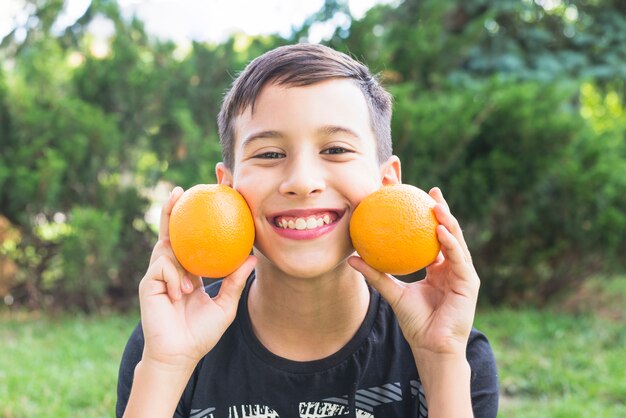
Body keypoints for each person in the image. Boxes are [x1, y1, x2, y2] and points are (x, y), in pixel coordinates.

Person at [116, 43, 498, 418]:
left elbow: (446, 358)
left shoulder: (453, 350)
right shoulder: (171, 340)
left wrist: (439, 358)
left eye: (335, 150)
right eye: (269, 154)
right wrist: (167, 366)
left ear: (388, 183)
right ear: (226, 188)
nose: (302, 181)